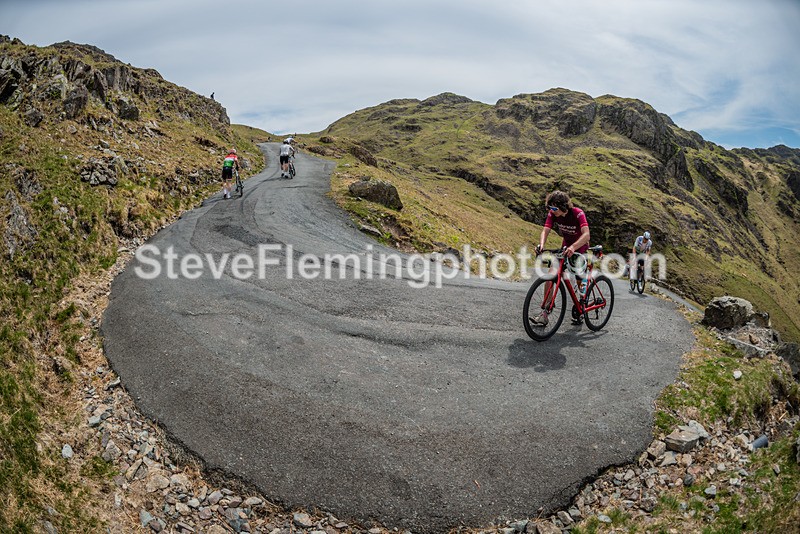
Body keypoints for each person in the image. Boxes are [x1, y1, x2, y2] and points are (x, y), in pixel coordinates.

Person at [532, 190, 591, 325]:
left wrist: (573, 247)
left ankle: (582, 304)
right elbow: (545, 230)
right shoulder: (553, 214)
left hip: (579, 247)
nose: (551, 211)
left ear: (563, 206)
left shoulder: (577, 213)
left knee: (579, 279)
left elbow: (586, 235)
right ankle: (545, 313)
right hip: (565, 247)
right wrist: (541, 245)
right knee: (551, 275)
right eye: (549, 208)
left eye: (553, 208)